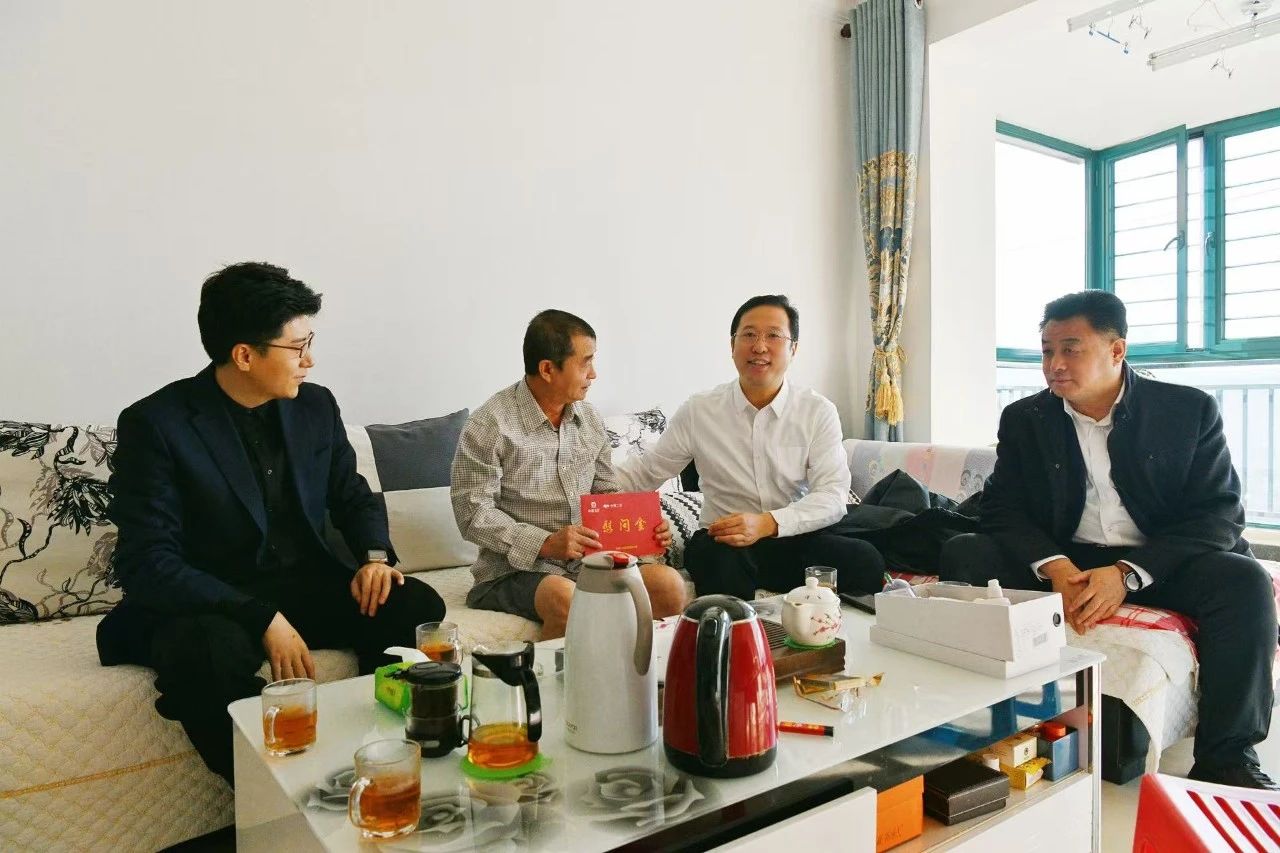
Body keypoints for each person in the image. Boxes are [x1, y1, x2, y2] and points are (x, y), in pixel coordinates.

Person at [96, 262, 445, 786]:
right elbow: (148, 561)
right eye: (297, 347)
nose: (310, 360)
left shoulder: (315, 406)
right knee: (203, 654)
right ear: (244, 355)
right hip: (209, 599)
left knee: (412, 604)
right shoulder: (157, 424)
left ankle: (383, 751)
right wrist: (263, 618)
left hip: (301, 584)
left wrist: (374, 557)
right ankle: (283, 794)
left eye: (310, 343)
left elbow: (351, 494)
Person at [941, 290, 1276, 789]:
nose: (1054, 365)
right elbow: (1003, 509)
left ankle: (1227, 757)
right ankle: (975, 717)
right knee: (964, 552)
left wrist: (1126, 575)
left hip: (1160, 558)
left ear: (1116, 350)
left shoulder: (1186, 411)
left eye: (1070, 349)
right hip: (1069, 558)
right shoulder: (1026, 418)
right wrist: (1054, 567)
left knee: (1245, 581)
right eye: (1047, 350)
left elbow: (1220, 514)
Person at [616, 295, 885, 600]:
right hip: (725, 542)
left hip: (793, 536)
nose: (759, 346)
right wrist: (585, 489)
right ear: (732, 345)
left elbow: (832, 496)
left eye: (773, 336)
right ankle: (742, 627)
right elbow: (646, 472)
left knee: (864, 560)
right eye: (749, 335)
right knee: (719, 564)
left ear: (793, 348)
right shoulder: (699, 411)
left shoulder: (817, 411)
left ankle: (821, 623)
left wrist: (767, 523)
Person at [451, 309, 687, 639]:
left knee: (669, 586)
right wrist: (546, 543)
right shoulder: (489, 425)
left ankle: (641, 671)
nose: (594, 374)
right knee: (566, 597)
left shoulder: (588, 419)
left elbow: (606, 493)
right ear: (548, 369)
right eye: (585, 362)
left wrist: (643, 531)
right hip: (514, 570)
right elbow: (473, 514)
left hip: (589, 562)